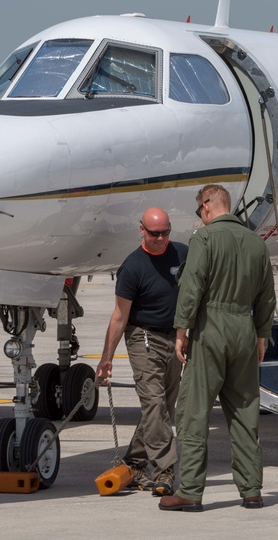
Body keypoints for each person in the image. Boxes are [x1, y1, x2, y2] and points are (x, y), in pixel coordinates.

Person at [159, 184, 276, 512]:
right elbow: (266, 294)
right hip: (245, 330)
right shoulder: (257, 242)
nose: (201, 216)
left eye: (200, 210)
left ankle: (191, 492)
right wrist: (262, 334)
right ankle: (252, 490)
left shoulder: (205, 239)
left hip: (211, 329)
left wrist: (181, 330)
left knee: (193, 412)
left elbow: (192, 286)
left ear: (209, 204)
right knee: (244, 412)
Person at [96, 207, 187, 496]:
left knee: (164, 406)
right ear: (142, 230)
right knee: (153, 401)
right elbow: (120, 316)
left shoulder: (183, 254)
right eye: (154, 233)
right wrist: (106, 359)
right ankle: (165, 468)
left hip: (175, 338)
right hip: (143, 337)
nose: (160, 238)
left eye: (165, 232)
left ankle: (135, 463)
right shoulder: (132, 267)